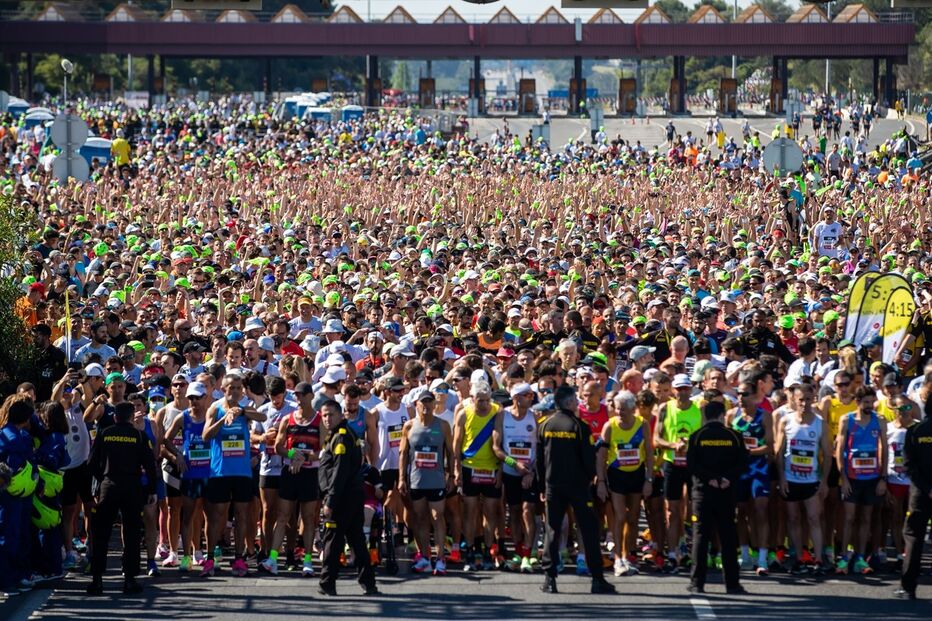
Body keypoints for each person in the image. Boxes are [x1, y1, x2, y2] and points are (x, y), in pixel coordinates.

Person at [536, 384, 616, 594]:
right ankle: (597, 578)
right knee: (589, 530)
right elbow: (589, 459)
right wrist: (591, 478)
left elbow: (539, 461)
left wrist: (541, 486)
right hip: (578, 487)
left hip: (553, 485)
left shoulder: (545, 425)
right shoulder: (580, 427)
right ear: (570, 402)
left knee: (552, 530)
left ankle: (549, 579)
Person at [86, 401, 158, 595]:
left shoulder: (105, 433)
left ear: (115, 417)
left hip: (108, 486)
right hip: (132, 487)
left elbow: (91, 463)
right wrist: (151, 490)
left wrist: (102, 480)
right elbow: (150, 465)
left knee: (101, 533)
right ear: (130, 417)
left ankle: (97, 579)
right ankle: (129, 579)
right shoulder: (139, 436)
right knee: (132, 533)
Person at [201, 374, 266, 577]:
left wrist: (243, 411)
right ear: (223, 388)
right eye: (231, 388)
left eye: (239, 388)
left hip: (242, 472)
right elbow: (205, 436)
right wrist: (223, 418)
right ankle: (210, 558)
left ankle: (239, 559)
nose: (235, 391)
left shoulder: (245, 410)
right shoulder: (215, 407)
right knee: (216, 516)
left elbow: (262, 417)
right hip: (220, 471)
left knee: (242, 516)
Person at [685, 399, 748, 595]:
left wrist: (710, 478)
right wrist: (726, 478)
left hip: (703, 492)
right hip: (726, 492)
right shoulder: (735, 436)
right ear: (722, 416)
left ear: (705, 416)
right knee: (728, 536)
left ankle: (697, 583)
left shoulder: (697, 436)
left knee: (700, 536)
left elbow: (691, 464)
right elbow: (743, 463)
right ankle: (732, 584)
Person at [317, 399, 378, 596]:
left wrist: (331, 500)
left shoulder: (341, 437)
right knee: (358, 542)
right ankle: (368, 583)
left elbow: (339, 472)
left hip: (342, 499)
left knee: (333, 542)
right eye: (324, 415)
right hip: (351, 497)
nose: (327, 419)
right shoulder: (337, 435)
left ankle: (327, 583)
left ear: (341, 415)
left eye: (331, 414)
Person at [260, 381, 321, 577]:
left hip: (310, 473)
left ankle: (308, 561)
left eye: (302, 394)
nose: (299, 398)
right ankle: (272, 559)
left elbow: (325, 450)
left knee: (309, 518)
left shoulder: (319, 420)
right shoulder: (288, 419)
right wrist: (293, 453)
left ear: (311, 396)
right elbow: (278, 447)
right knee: (282, 516)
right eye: (296, 395)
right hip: (289, 473)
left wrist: (305, 457)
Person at [774, 382, 831, 575]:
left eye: (808, 399)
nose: (804, 403)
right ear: (794, 400)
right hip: (790, 478)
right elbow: (779, 452)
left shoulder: (820, 423)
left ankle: (819, 559)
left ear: (813, 399)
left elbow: (827, 455)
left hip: (812, 480)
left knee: (814, 518)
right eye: (801, 400)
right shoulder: (786, 421)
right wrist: (781, 478)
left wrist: (823, 482)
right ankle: (798, 557)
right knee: (793, 518)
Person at [596, 390, 653, 577]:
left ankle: (628, 555)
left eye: (623, 410)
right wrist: (602, 482)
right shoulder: (609, 426)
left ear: (632, 409)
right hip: (616, 475)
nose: (619, 413)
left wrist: (648, 479)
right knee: (620, 516)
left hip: (636, 475)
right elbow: (601, 456)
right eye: (617, 409)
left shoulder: (642, 424)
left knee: (633, 518)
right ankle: (618, 558)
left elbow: (650, 453)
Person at [398, 387, 453, 575]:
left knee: (438, 518)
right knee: (420, 519)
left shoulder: (443, 425)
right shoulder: (409, 426)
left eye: (430, 401)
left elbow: (451, 453)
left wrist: (452, 476)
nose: (427, 405)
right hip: (416, 480)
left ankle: (441, 559)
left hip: (436, 480)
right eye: (423, 402)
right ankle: (424, 557)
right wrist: (401, 479)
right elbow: (403, 453)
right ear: (417, 405)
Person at [835, 385, 888, 576]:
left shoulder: (879, 420)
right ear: (857, 402)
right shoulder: (846, 420)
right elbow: (839, 451)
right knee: (849, 518)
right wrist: (844, 478)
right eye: (866, 402)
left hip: (872, 477)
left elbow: (885, 449)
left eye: (872, 402)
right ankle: (843, 557)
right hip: (852, 477)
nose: (870, 405)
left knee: (866, 518)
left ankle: (859, 557)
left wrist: (883, 478)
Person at [895, 395, 932, 599]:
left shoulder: (915, 431)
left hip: (920, 492)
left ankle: (908, 587)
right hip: (922, 490)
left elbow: (909, 466)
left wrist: (927, 488)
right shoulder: (914, 431)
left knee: (914, 538)